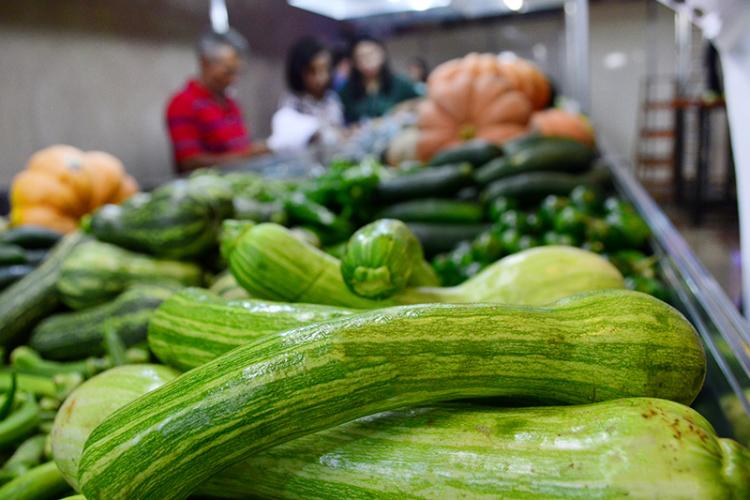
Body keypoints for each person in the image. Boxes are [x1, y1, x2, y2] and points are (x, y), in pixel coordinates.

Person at [166, 29, 268, 174]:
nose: (234, 80)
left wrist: (254, 151)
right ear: (205, 63)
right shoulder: (182, 104)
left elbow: (239, 146)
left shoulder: (230, 103)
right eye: (228, 72)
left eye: (236, 73)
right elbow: (188, 163)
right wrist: (245, 156)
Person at [267, 36, 344, 154]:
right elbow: (287, 140)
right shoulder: (292, 102)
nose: (319, 78)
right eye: (312, 71)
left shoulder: (332, 99)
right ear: (299, 72)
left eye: (324, 70)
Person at [338, 36, 420, 124]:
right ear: (354, 62)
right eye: (361, 56)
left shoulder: (399, 82)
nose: (367, 60)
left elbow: (421, 101)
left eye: (371, 54)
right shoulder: (346, 91)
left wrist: (404, 107)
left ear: (382, 54)